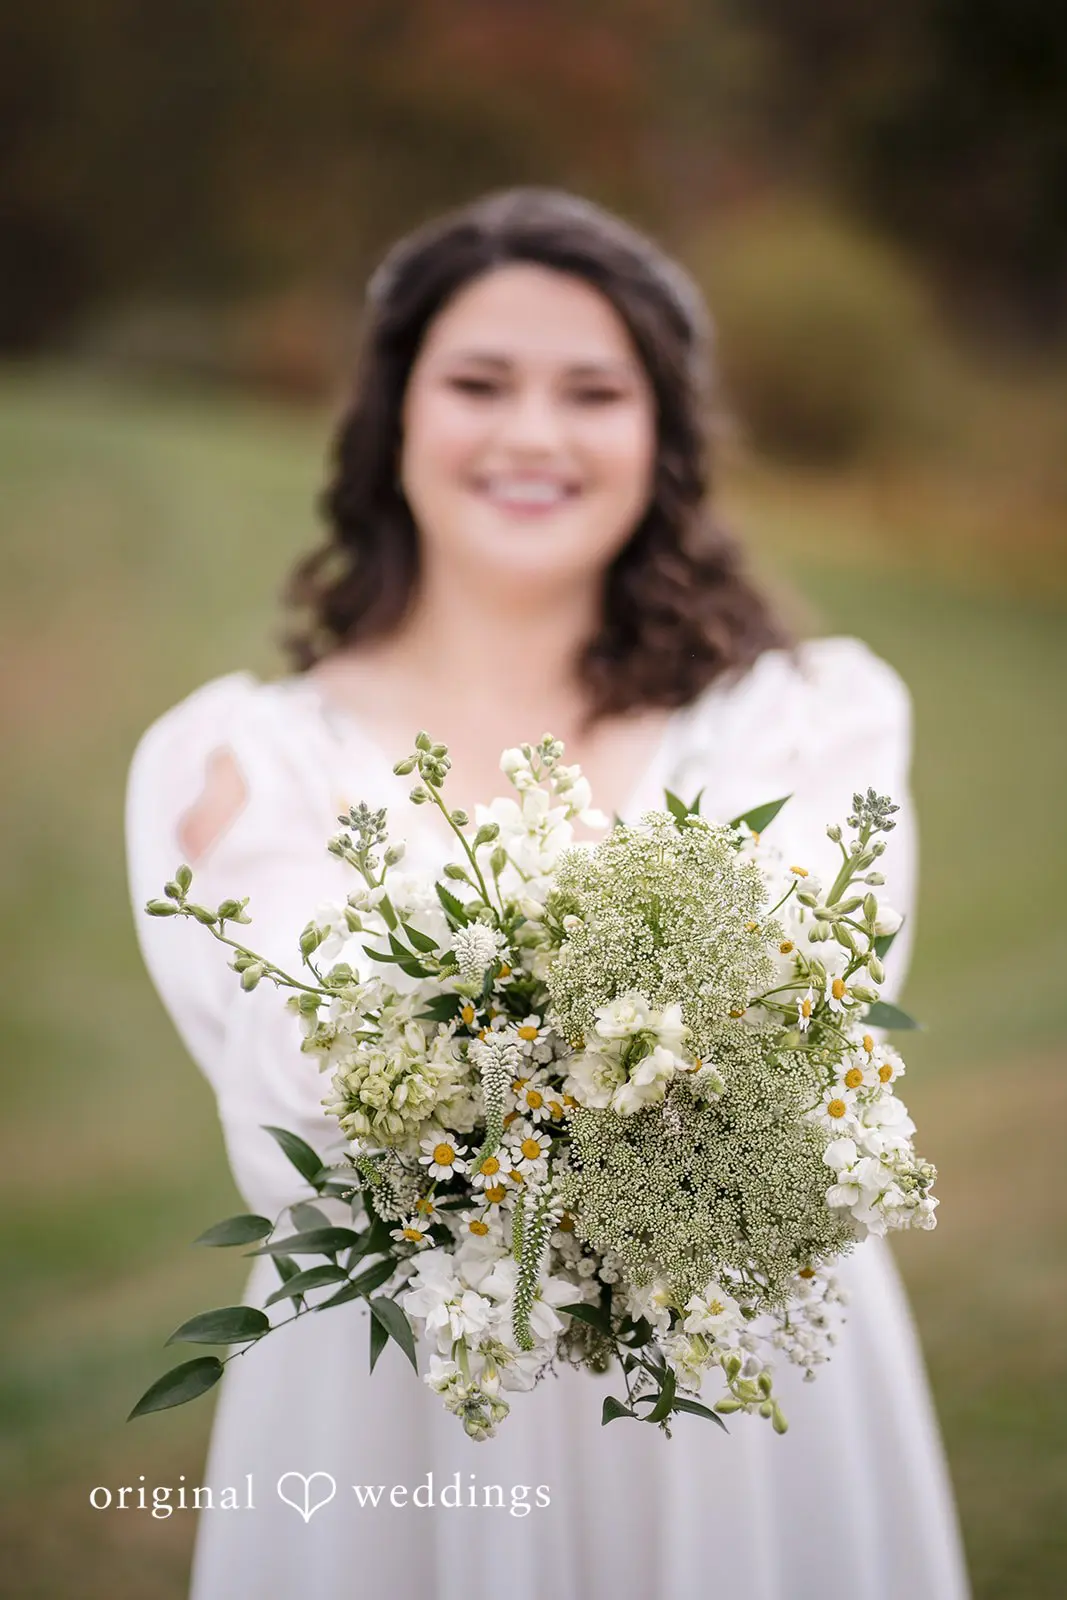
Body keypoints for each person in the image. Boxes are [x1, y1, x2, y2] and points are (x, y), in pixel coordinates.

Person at [125, 187, 970, 1600]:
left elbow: (792, 1060)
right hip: (395, 1403)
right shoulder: (233, 760)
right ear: (394, 416)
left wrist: (454, 1036)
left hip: (739, 1387)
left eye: (591, 391)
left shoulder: (809, 723)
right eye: (477, 383)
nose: (531, 434)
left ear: (663, 438)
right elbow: (304, 1125)